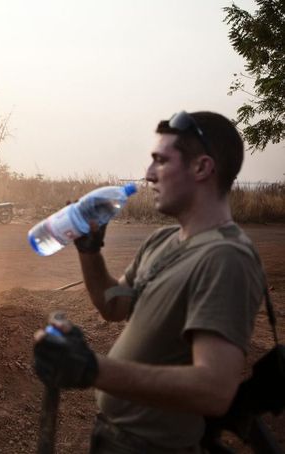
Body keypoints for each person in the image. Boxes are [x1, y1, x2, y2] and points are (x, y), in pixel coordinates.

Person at [33, 111, 266, 453]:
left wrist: (91, 368)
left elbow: (214, 389)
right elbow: (115, 302)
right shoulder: (163, 240)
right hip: (113, 438)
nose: (148, 174)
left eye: (160, 160)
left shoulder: (226, 257)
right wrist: (89, 249)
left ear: (201, 168)